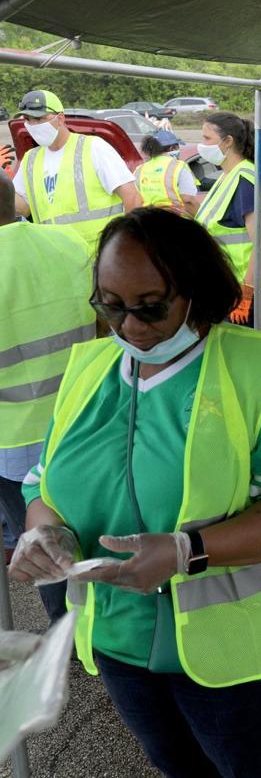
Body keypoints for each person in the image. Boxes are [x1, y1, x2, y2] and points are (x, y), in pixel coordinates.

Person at [9, 207, 261, 778]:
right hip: (119, 641)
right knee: (178, 766)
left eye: (150, 307)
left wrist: (190, 550)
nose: (129, 327)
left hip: (234, 650)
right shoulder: (90, 369)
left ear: (195, 294)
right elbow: (44, 480)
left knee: (257, 768)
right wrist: (44, 528)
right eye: (110, 305)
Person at [0, 171, 91, 622]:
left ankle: (67, 627)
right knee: (89, 523)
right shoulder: (69, 243)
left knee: (39, 542)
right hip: (83, 415)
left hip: (14, 440)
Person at [193, 113, 261, 334]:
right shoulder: (228, 175)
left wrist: (246, 294)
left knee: (258, 352)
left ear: (227, 142)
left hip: (252, 285)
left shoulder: (245, 179)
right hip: (233, 284)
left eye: (207, 138)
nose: (201, 145)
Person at [11, 89, 141, 247]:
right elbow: (21, 209)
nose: (33, 125)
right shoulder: (30, 159)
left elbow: (132, 198)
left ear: (60, 118)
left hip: (98, 257)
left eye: (39, 119)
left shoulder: (93, 147)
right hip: (56, 257)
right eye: (28, 119)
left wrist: (126, 246)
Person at [134, 130, 199, 216]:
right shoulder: (178, 166)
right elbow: (188, 199)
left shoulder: (139, 170)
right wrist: (202, 221)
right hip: (175, 220)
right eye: (177, 147)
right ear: (173, 148)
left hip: (146, 221)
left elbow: (135, 201)